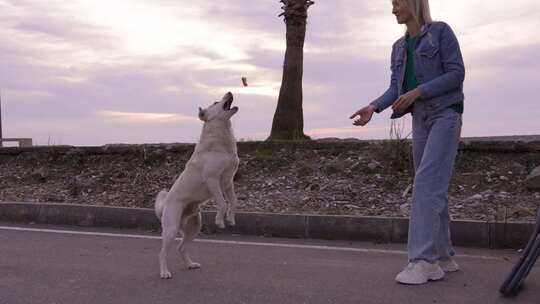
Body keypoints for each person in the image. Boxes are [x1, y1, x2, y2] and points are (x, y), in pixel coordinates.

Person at [349, 0, 465, 285]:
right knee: (433, 186)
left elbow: (456, 74)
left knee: (426, 185)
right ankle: (443, 255)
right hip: (421, 119)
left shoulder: (441, 32)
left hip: (445, 115)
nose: (393, 10)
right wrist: (373, 108)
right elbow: (395, 88)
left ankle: (424, 261)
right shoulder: (399, 48)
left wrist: (419, 91)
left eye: (397, 3)